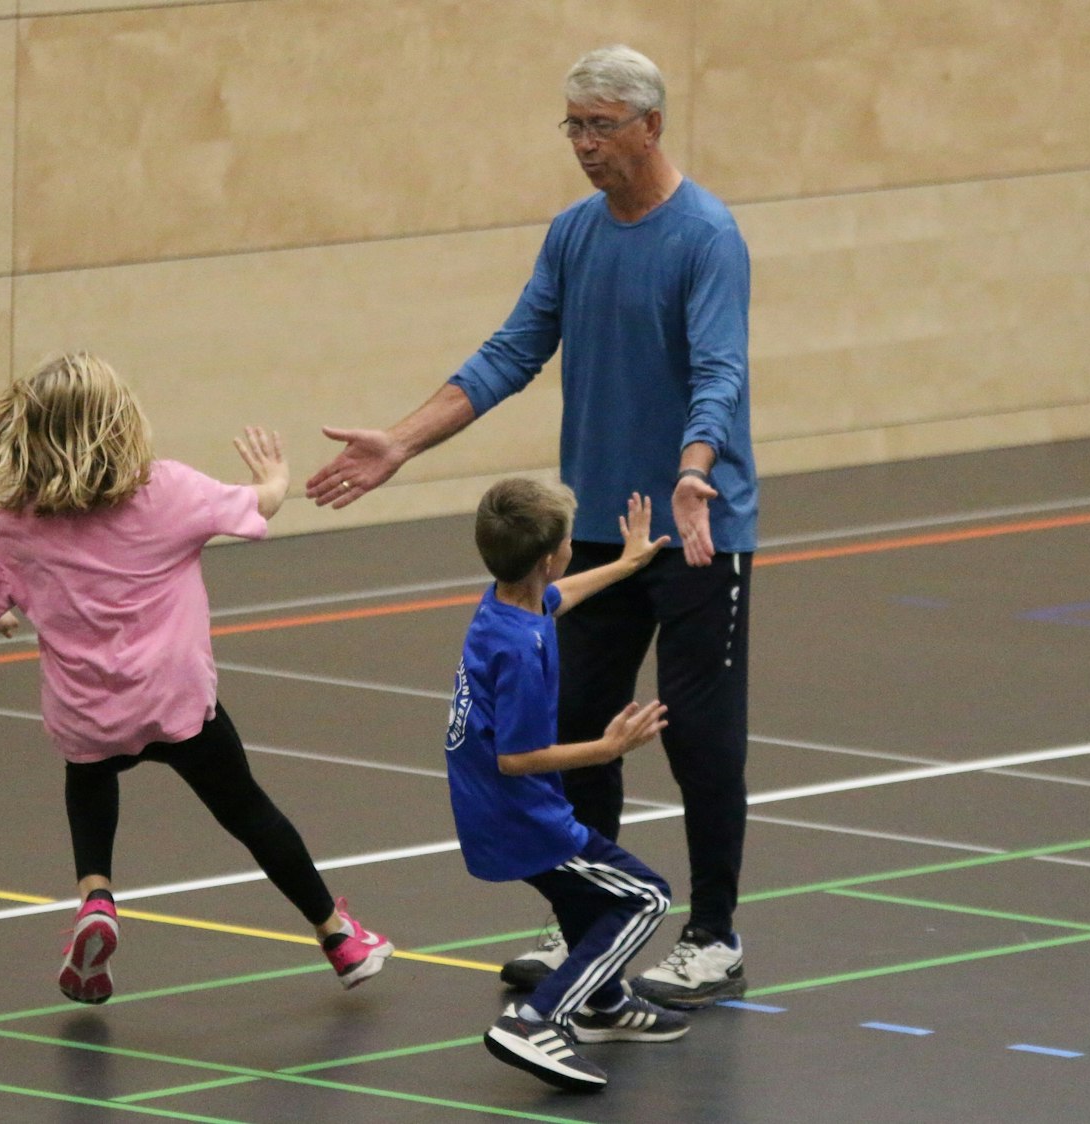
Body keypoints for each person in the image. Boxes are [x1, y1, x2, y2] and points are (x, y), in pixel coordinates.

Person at [305, 43, 757, 1009]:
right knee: (577, 721)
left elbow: (719, 371)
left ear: (651, 126)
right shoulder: (573, 235)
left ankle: (713, 934)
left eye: (601, 126)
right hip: (597, 529)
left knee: (700, 737)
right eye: (574, 127)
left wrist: (692, 472)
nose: (584, 145)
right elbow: (512, 350)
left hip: (697, 528)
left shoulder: (707, 237)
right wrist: (401, 442)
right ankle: (589, 920)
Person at [0, 352, 394, 1004]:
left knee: (89, 780)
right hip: (177, 703)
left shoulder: (12, 530)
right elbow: (261, 505)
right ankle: (337, 936)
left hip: (90, 714)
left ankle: (96, 899)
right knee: (249, 811)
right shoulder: (168, 491)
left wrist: (6, 613)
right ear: (121, 424)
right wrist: (274, 477)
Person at [451, 478, 687, 1093]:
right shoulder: (521, 649)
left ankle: (605, 1003)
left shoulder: (507, 607)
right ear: (551, 556)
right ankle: (536, 1020)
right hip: (523, 816)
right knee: (646, 898)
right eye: (567, 545)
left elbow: (558, 597)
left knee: (588, 902)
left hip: (492, 809)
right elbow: (516, 757)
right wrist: (608, 749)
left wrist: (627, 565)